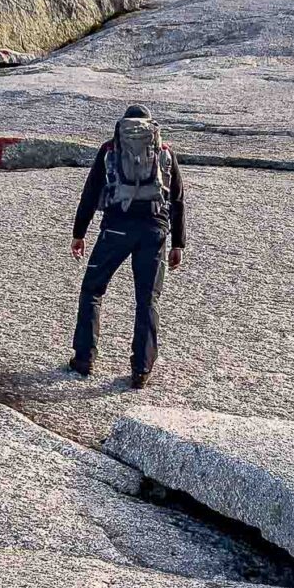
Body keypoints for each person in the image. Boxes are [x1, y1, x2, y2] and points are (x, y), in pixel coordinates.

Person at [68, 104, 185, 388]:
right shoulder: (165, 151)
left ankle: (84, 359)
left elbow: (91, 192)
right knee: (147, 299)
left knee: (92, 290)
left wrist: (79, 233)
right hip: (153, 231)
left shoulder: (110, 148)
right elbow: (178, 199)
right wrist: (178, 243)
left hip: (116, 228)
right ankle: (141, 370)